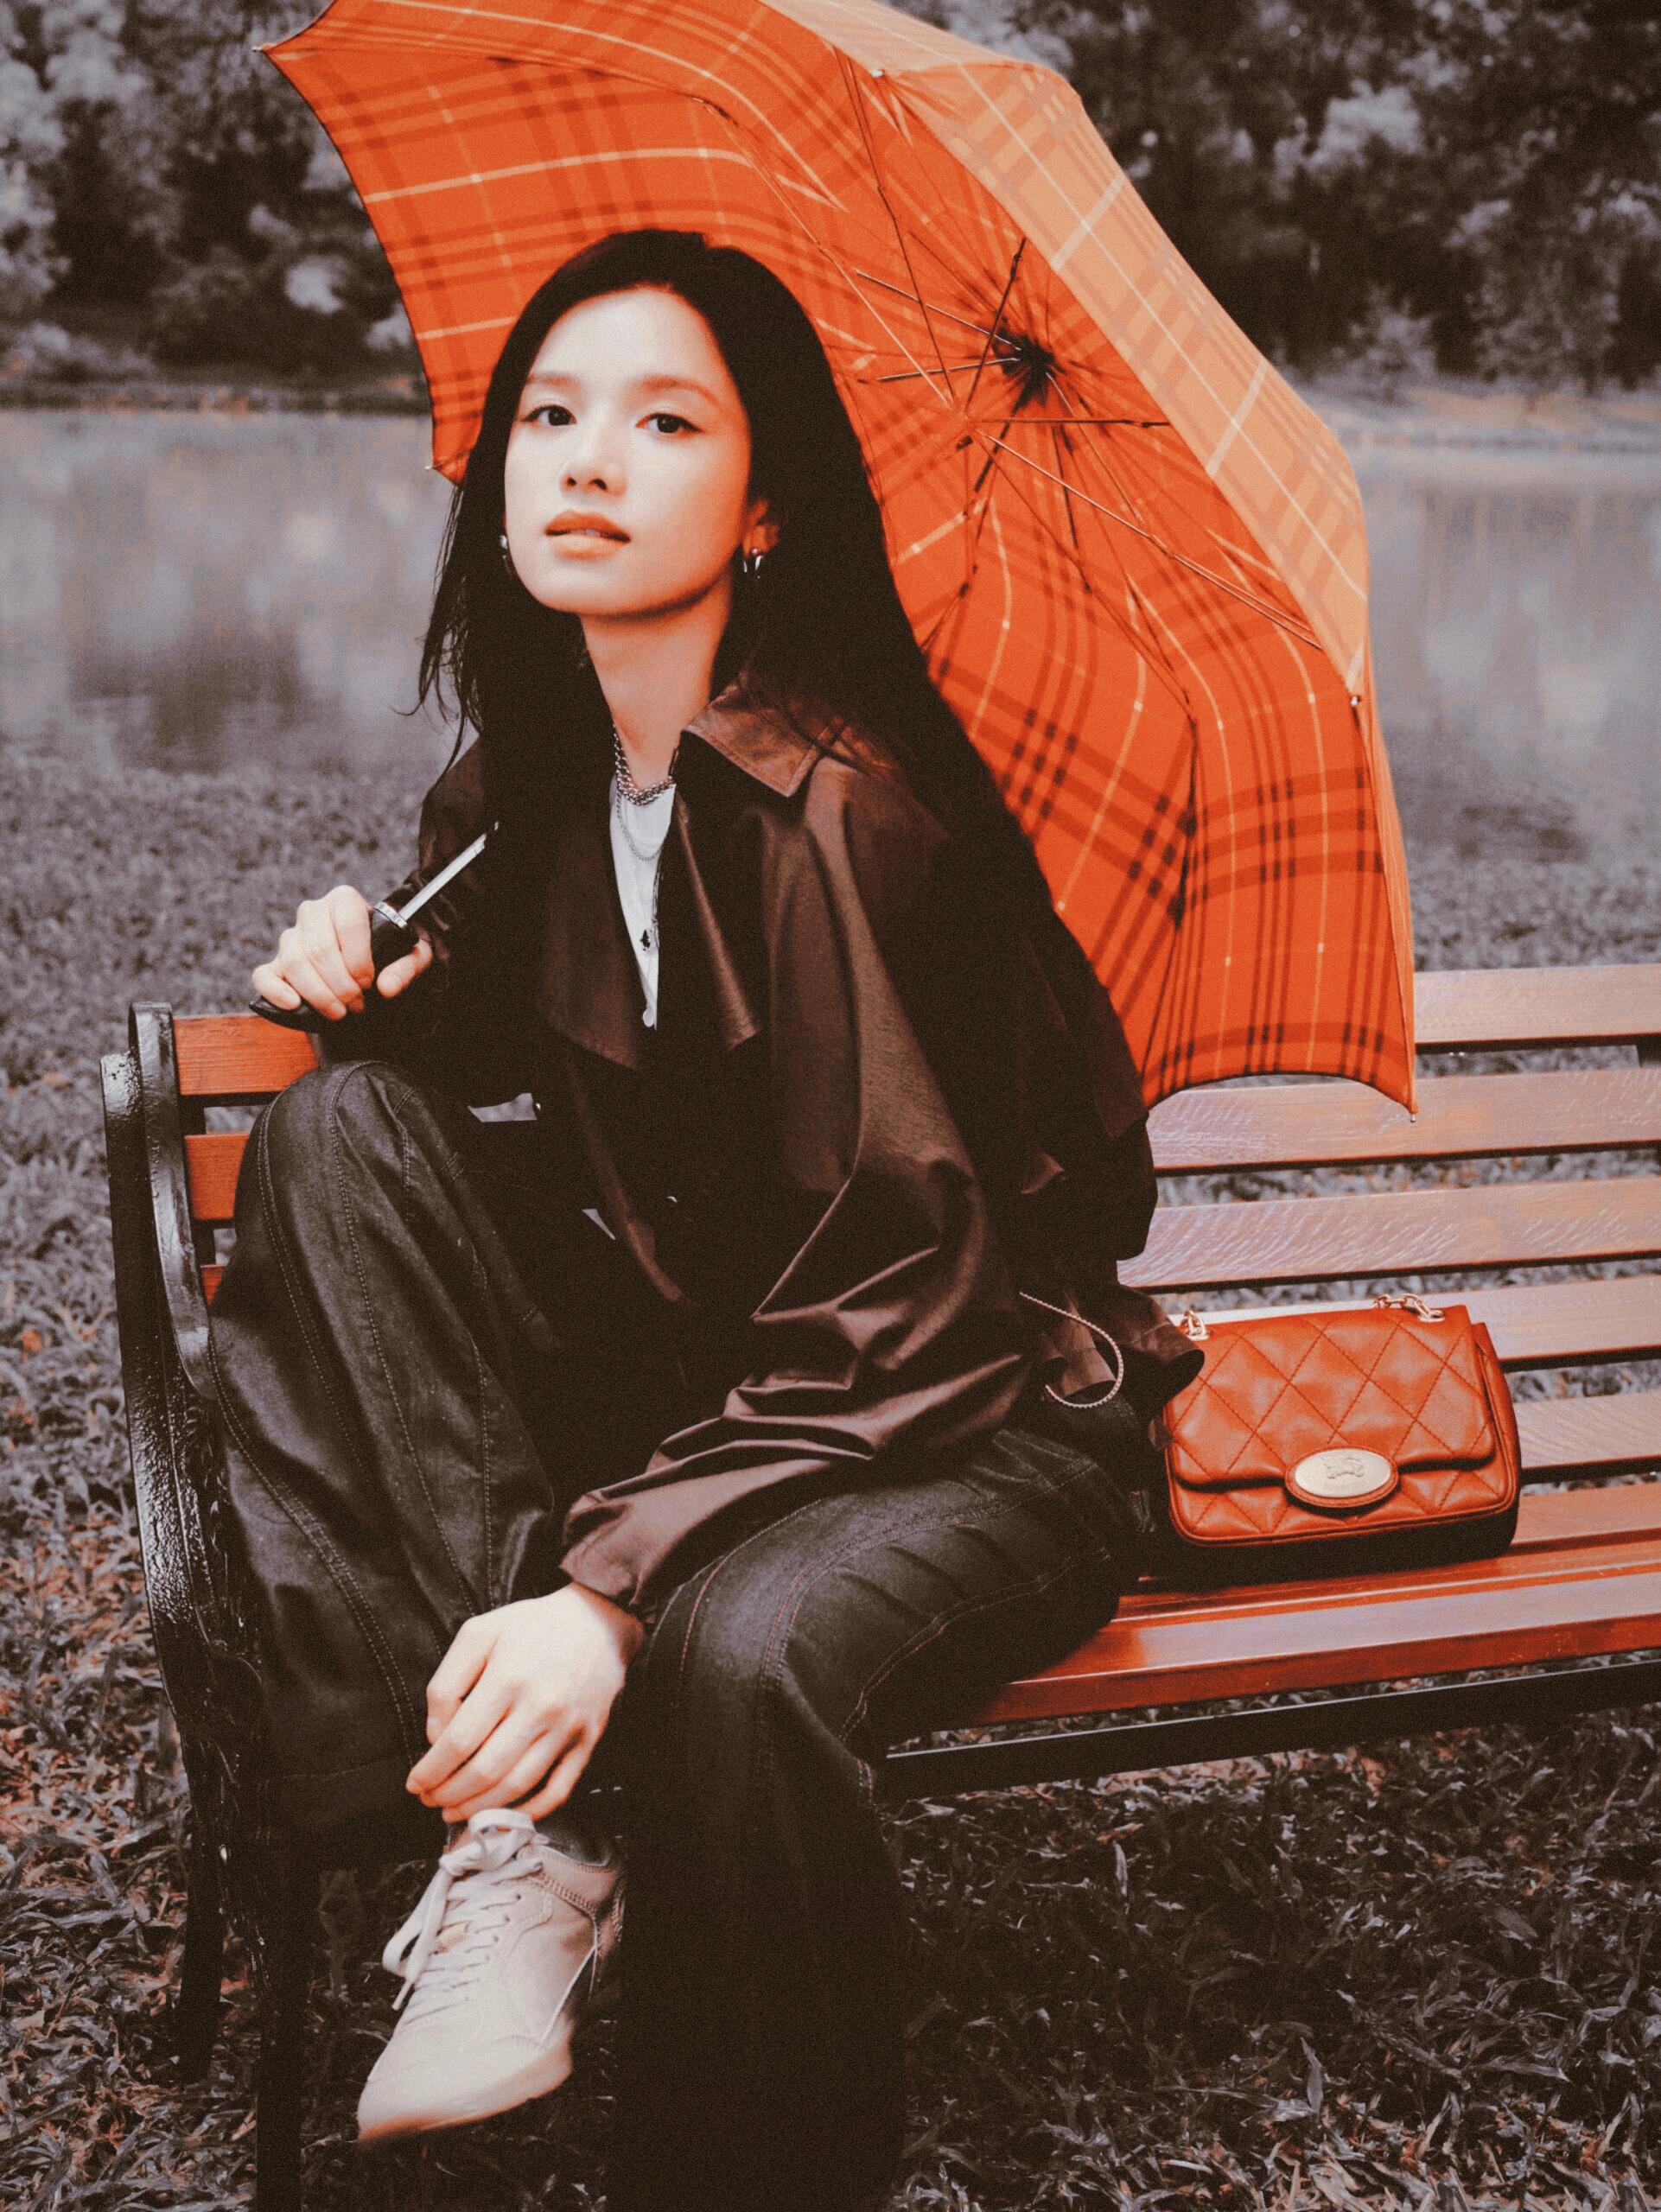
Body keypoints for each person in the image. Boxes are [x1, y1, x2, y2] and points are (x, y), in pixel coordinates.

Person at [215, 226, 1204, 2212]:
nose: (588, 458)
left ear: (763, 510)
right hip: (746, 1386)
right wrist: (379, 974)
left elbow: (913, 1286)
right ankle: (515, 1836)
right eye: (549, 416)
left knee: (733, 1650)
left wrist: (608, 1588)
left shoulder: (835, 802)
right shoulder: (540, 782)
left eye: (665, 423)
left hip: (983, 1416)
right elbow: (573, 1058)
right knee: (344, 1132)